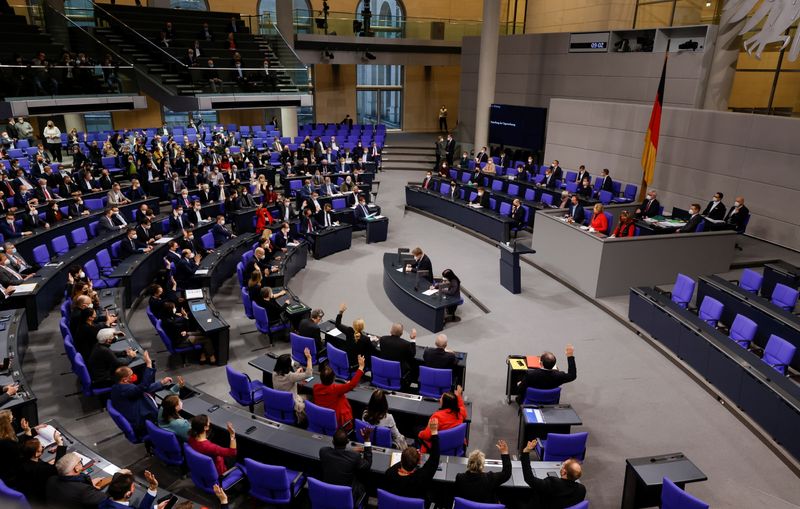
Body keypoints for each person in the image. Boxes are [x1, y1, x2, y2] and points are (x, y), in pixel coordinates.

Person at [109, 351, 175, 438]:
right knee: (173, 411)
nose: (134, 376)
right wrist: (149, 364)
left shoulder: (117, 387)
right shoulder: (126, 390)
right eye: (131, 375)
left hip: (136, 411)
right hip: (143, 421)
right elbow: (143, 387)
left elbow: (141, 389)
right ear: (124, 380)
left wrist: (161, 383)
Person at [383, 417, 440, 503]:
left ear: (401, 460)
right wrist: (434, 432)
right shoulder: (421, 478)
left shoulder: (390, 473)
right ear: (418, 462)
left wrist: (410, 456)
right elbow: (435, 458)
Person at [521, 439, 586, 508]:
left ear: (564, 472)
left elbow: (529, 479)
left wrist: (526, 453)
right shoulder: (582, 490)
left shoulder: (552, 483)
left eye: (563, 465)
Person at [319, 427, 373, 504]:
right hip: (347, 496)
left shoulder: (323, 451)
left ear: (333, 441)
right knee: (365, 484)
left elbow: (336, 452)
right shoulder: (355, 457)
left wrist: (349, 451)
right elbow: (368, 464)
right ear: (348, 441)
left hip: (328, 491)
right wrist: (367, 439)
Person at [312, 355, 365, 428]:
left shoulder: (315, 387)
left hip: (323, 418)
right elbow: (352, 384)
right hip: (337, 422)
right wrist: (361, 367)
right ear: (334, 378)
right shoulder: (336, 389)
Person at [454, 440, 512, 504]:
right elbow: (507, 473)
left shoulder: (459, 478)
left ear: (469, 463)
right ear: (482, 465)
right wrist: (504, 452)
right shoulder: (490, 479)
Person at [16, 432, 67, 504]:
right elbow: (57, 468)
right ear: (36, 454)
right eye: (41, 447)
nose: (43, 446)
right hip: (40, 498)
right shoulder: (42, 468)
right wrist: (59, 444)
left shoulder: (23, 458)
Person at [45, 452, 109, 508]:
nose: (81, 463)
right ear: (76, 468)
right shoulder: (83, 490)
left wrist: (89, 484)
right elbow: (104, 498)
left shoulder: (52, 479)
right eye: (80, 462)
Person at [417, 385, 466, 453]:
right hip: (453, 449)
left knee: (417, 429)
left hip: (437, 451)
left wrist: (420, 433)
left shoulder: (437, 417)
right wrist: (458, 396)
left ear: (445, 403)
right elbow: (462, 407)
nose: (440, 400)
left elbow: (427, 435)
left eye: (441, 398)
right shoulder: (459, 413)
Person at [272, 349, 313, 421]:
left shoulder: (274, 373)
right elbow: (308, 374)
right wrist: (309, 358)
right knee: (311, 396)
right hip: (293, 403)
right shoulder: (290, 376)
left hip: (280, 400)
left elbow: (288, 377)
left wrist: (296, 373)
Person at [335, 303, 375, 368]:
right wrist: (374, 341)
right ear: (362, 328)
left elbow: (337, 324)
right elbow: (373, 349)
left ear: (353, 325)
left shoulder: (349, 331)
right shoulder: (365, 339)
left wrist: (341, 312)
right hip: (357, 363)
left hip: (347, 358)